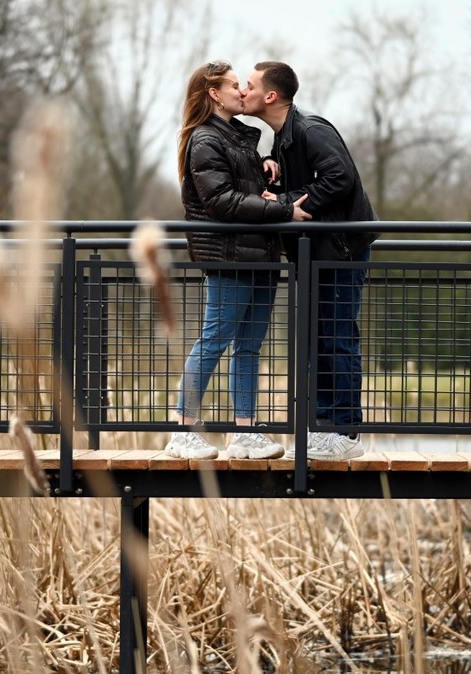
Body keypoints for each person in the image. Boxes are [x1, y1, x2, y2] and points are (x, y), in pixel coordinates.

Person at [165, 59, 313, 461]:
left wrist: (267, 169)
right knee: (214, 339)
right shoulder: (205, 140)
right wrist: (285, 210)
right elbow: (221, 201)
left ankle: (245, 433)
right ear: (214, 94)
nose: (241, 91)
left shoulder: (241, 139)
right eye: (234, 85)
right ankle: (182, 430)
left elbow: (244, 189)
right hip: (229, 255)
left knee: (249, 347)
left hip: (260, 253)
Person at [241, 60, 378, 460]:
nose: (243, 92)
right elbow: (306, 181)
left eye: (248, 86)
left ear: (270, 96)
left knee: (337, 339)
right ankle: (323, 428)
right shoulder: (283, 139)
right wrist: (275, 179)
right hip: (316, 254)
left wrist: (291, 204)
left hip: (341, 249)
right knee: (320, 341)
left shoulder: (310, 129)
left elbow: (340, 178)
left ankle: (347, 433)